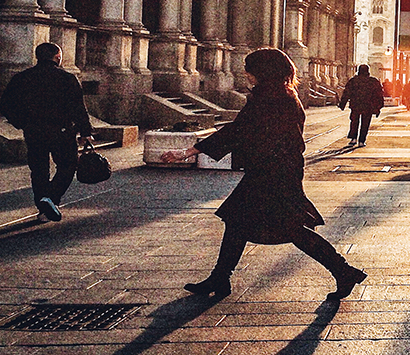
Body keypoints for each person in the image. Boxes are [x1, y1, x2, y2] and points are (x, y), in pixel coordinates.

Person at [160, 48, 366, 300]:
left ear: (263, 71)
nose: (247, 73)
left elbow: (238, 130)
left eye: (250, 69)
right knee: (238, 221)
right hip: (275, 170)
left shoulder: (270, 97)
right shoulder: (282, 94)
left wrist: (189, 151)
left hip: (272, 175)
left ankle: (343, 271)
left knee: (292, 229)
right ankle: (220, 278)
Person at [0, 42, 92, 223]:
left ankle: (43, 207)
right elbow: (78, 108)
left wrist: (21, 122)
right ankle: (50, 198)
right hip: (62, 131)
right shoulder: (67, 78)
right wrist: (85, 131)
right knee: (67, 165)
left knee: (39, 169)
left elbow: (5, 105)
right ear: (58, 57)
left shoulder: (22, 78)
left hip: (33, 130)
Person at [339, 65, 385, 146]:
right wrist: (379, 107)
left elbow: (346, 93)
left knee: (354, 121)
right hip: (368, 106)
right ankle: (361, 141)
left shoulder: (353, 81)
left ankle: (353, 138)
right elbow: (379, 95)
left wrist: (342, 104)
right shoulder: (373, 81)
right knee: (365, 123)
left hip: (356, 105)